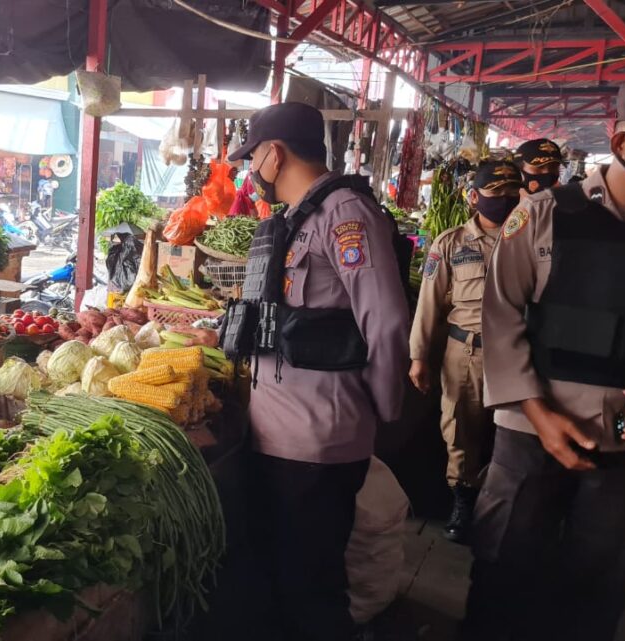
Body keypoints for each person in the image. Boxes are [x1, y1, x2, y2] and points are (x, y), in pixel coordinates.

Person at [464, 79, 625, 641]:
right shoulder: (544, 214)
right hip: (532, 426)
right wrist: (539, 414)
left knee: (598, 582)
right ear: (622, 144)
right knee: (504, 567)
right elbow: (501, 315)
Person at [223, 102, 410, 640]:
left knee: (310, 589)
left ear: (275, 154)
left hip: (317, 440)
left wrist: (380, 410)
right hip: (280, 434)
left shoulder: (345, 213)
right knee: (279, 580)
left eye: (253, 157)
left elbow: (387, 321)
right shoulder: (294, 217)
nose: (251, 169)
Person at [408, 161, 521, 543]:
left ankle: (500, 507)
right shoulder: (451, 243)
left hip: (516, 355)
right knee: (460, 429)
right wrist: (419, 356)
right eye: (495, 194)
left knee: (510, 434)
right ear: (474, 197)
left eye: (511, 194)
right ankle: (463, 500)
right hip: (466, 352)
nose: (504, 201)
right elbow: (428, 303)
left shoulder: (529, 240)